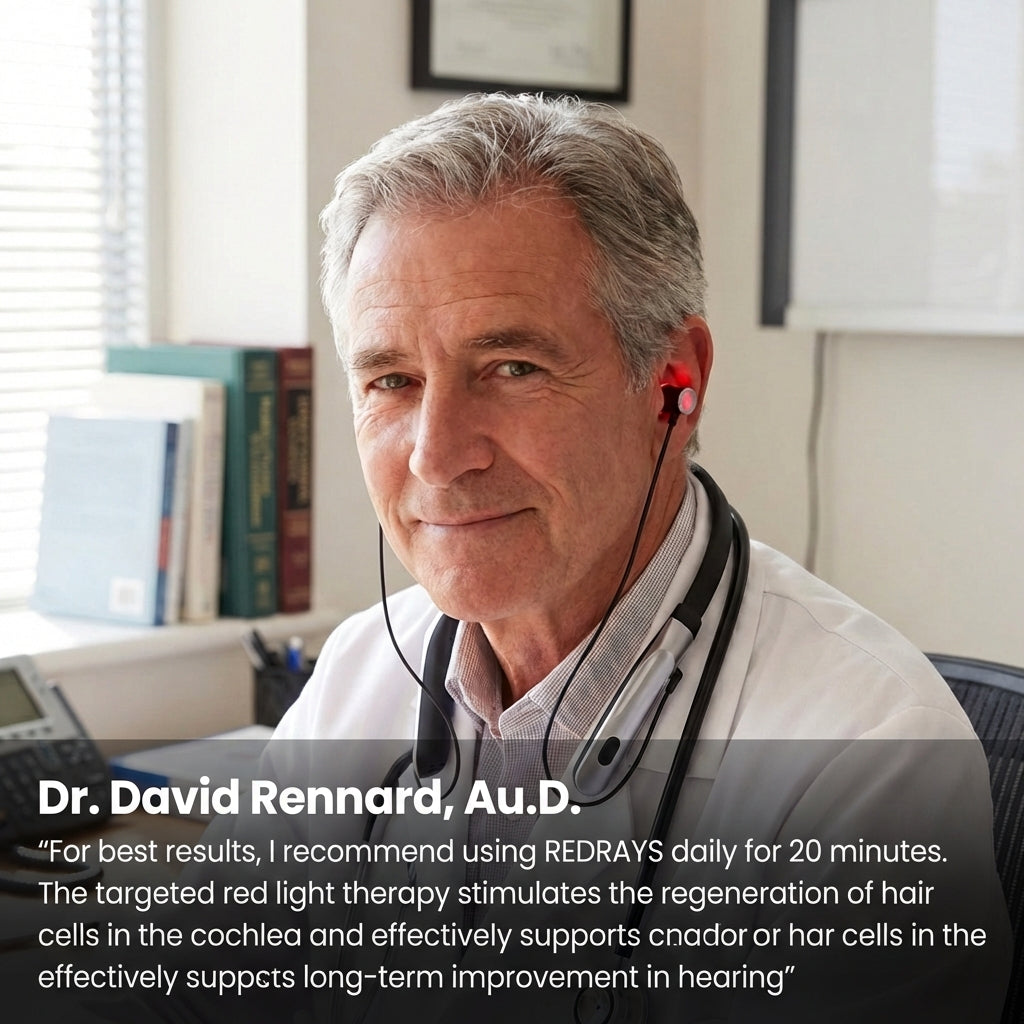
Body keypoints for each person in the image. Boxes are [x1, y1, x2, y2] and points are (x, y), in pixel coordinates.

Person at [271, 93, 1009, 1021]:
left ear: (674, 383)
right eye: (391, 380)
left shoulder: (870, 756)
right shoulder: (362, 671)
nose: (436, 454)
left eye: (513, 368)